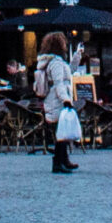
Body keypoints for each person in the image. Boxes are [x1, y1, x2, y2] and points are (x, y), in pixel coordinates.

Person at [34, 35, 82, 174]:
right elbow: (58, 84)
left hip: (58, 99)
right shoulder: (55, 63)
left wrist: (77, 55)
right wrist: (66, 99)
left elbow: (70, 72)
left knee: (63, 131)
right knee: (61, 133)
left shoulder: (59, 62)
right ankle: (57, 162)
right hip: (56, 101)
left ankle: (64, 160)